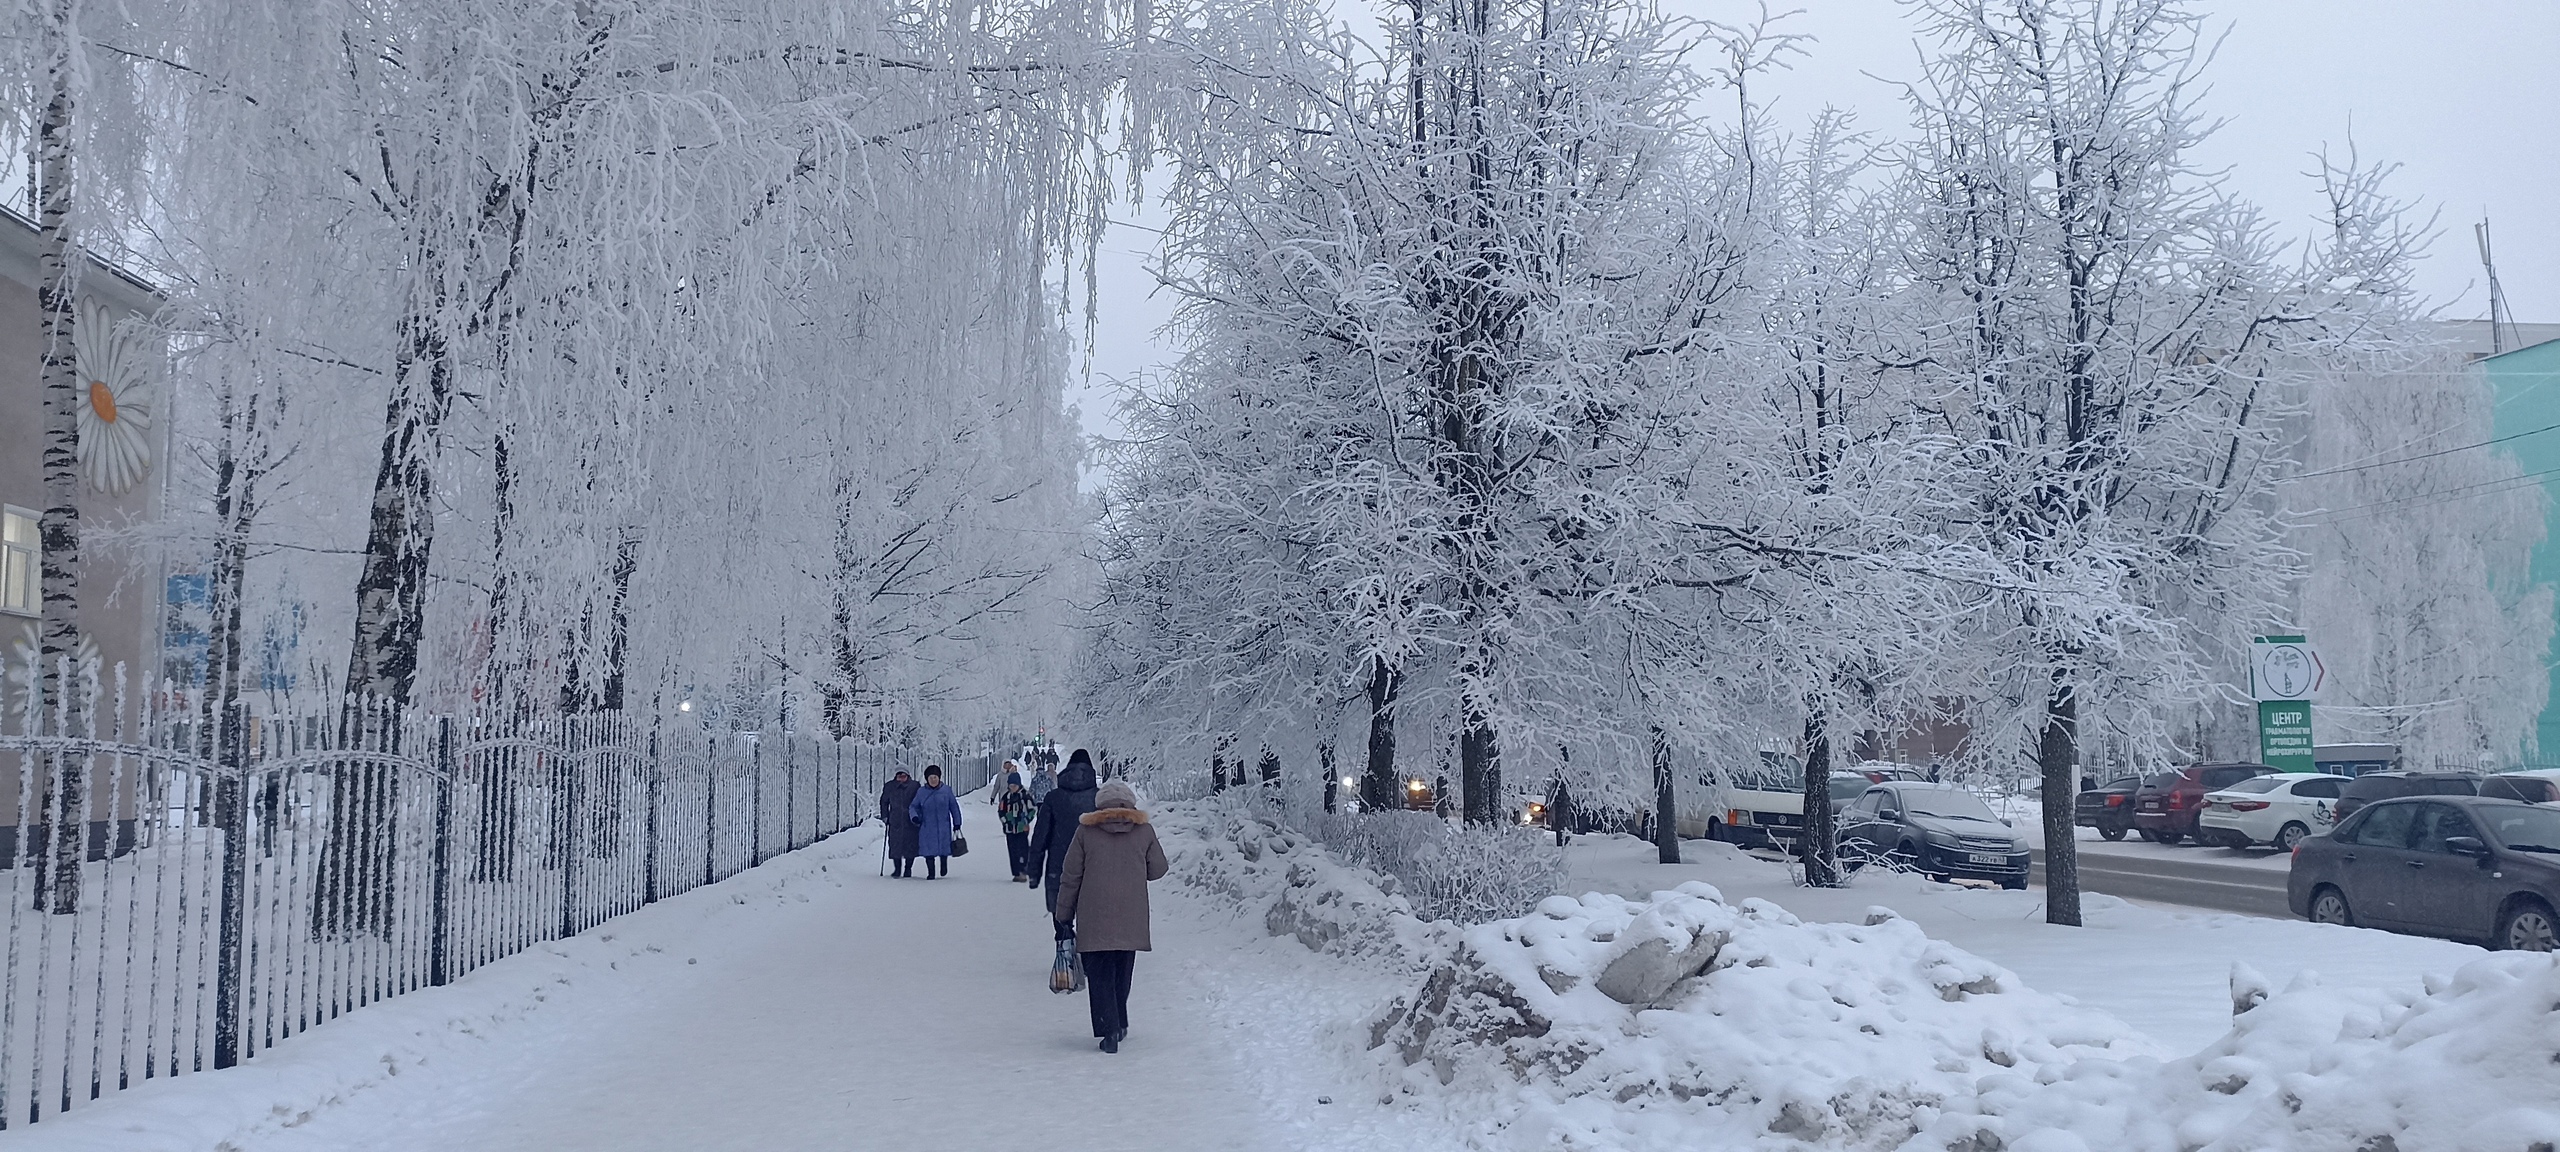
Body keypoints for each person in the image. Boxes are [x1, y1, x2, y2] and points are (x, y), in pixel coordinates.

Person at [1053, 779, 1167, 1054]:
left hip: (1094, 915)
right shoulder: (1144, 831)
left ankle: (1110, 1028)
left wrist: (1063, 915)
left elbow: (1071, 876)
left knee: (1100, 973)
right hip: (1132, 914)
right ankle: (1121, 1021)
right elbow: (1159, 869)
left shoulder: (1085, 832)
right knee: (1122, 971)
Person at [1027, 748, 1099, 904]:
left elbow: (1040, 837)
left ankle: (1063, 928)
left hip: (1058, 867)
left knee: (1060, 914)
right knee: (1089, 918)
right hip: (1092, 868)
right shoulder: (1100, 799)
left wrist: (1034, 872)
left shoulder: (1054, 798)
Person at [907, 765, 963, 879]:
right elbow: (913, 806)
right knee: (928, 850)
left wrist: (957, 822)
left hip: (943, 825)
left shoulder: (946, 790)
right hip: (927, 826)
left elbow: (954, 807)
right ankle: (931, 872)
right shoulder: (921, 792)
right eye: (931, 777)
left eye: (936, 777)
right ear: (927, 779)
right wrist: (915, 817)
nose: (934, 780)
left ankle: (944, 863)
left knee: (944, 847)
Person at [879, 770, 921, 877]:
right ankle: (897, 869)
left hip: (910, 819)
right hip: (895, 819)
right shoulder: (890, 786)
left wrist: (919, 815)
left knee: (911, 845)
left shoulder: (915, 786)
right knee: (895, 844)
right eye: (899, 776)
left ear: (908, 775)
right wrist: (885, 815)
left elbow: (920, 801)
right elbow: (884, 801)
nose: (901, 778)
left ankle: (908, 868)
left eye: (903, 776)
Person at [999, 770, 1038, 883]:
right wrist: (1006, 821)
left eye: (1015, 785)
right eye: (1011, 785)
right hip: (1010, 829)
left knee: (1023, 850)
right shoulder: (1006, 797)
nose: (1013, 787)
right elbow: (1001, 811)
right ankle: (1016, 872)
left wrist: (1026, 821)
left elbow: (1033, 809)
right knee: (1013, 851)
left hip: (1022, 829)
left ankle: (1023, 871)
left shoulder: (1025, 796)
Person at [1545, 777, 1572, 848]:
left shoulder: (1557, 791)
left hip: (1560, 813)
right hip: (1560, 814)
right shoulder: (1559, 791)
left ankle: (1563, 842)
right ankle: (1563, 842)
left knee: (1561, 826)